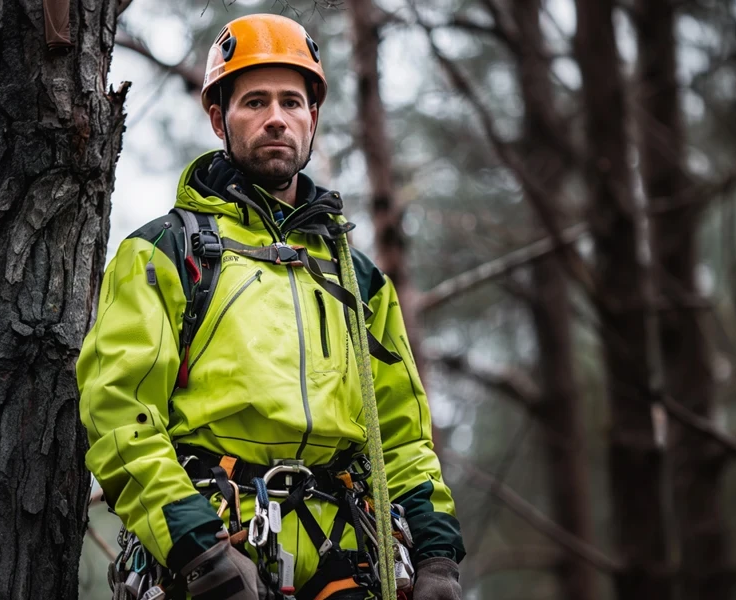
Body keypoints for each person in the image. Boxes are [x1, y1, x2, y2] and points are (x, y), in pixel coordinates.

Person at [77, 13, 464, 600]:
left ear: (313, 119)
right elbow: (119, 415)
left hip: (347, 557)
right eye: (254, 101)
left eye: (292, 101)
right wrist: (194, 546)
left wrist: (438, 556)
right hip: (218, 548)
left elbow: (402, 440)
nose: (276, 118)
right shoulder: (165, 254)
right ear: (218, 118)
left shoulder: (357, 280)